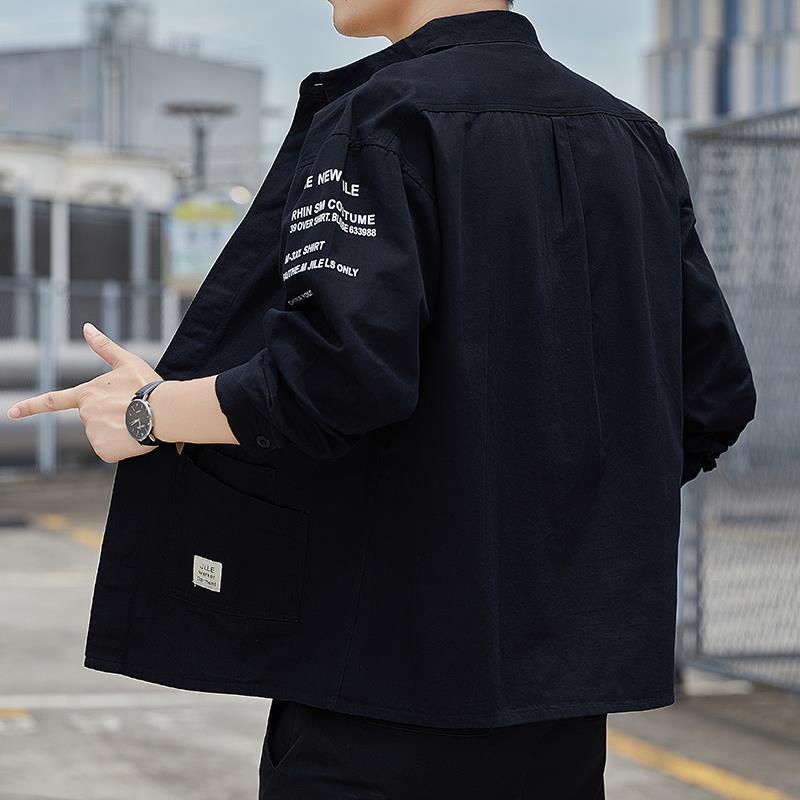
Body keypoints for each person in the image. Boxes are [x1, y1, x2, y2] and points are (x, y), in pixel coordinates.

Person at [7, 1, 757, 798]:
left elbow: (332, 379)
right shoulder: (633, 139)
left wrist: (148, 414)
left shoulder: (384, 118)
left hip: (379, 679)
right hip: (559, 706)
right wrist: (559, 521)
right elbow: (712, 395)